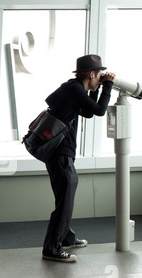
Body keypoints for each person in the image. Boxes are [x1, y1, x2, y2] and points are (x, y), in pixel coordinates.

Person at [42, 54, 115, 263]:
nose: (100, 78)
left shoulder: (71, 88)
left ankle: (65, 237)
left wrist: (98, 88)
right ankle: (52, 249)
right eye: (99, 75)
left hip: (58, 152)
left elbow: (89, 112)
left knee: (64, 197)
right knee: (65, 199)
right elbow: (100, 111)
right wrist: (108, 85)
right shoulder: (75, 90)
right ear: (91, 74)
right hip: (60, 153)